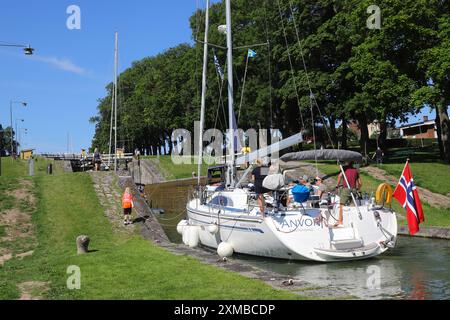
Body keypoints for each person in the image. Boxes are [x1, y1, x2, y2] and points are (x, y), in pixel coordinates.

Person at [335, 161, 362, 227]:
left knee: (341, 205)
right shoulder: (356, 170)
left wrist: (337, 185)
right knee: (351, 205)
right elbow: (360, 183)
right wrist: (358, 189)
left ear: (346, 163)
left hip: (346, 188)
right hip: (354, 189)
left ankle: (340, 221)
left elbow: (339, 176)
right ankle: (352, 220)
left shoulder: (344, 168)